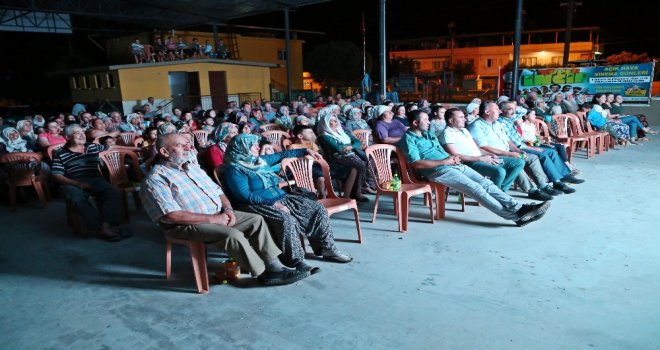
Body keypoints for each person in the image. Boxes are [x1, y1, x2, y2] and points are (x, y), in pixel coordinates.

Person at [141, 133, 309, 285]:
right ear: (164, 152)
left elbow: (218, 191)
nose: (188, 147)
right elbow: (172, 216)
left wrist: (228, 209)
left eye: (187, 144)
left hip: (217, 214)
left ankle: (275, 267)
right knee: (232, 235)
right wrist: (215, 220)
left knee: (256, 220)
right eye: (180, 145)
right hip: (185, 224)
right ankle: (264, 273)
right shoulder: (156, 179)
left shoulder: (192, 167)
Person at [221, 134, 353, 271]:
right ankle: (297, 261)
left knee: (317, 208)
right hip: (256, 204)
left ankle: (326, 248)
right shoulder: (234, 169)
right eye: (252, 145)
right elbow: (244, 195)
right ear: (241, 148)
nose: (257, 147)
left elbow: (282, 154)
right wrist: (273, 204)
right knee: (286, 219)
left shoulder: (259, 161)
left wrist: (306, 151)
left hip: (280, 197)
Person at [398, 110, 550, 227]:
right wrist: (445, 161)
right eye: (425, 120)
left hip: (453, 164)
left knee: (486, 184)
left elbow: (442, 151)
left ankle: (518, 207)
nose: (429, 122)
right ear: (415, 123)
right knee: (476, 189)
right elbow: (416, 163)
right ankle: (515, 217)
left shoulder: (428, 135)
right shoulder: (408, 139)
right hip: (438, 170)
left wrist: (452, 159)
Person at [51, 125, 129, 242]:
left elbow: (111, 147)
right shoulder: (60, 153)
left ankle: (105, 225)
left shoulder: (92, 147)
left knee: (113, 192)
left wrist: (137, 149)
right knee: (77, 198)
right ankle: (98, 227)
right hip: (72, 182)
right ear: (67, 137)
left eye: (82, 131)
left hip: (95, 179)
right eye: (77, 132)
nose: (82, 134)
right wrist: (77, 184)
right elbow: (56, 174)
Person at [467, 102, 557, 201]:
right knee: (516, 162)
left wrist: (517, 150)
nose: (500, 111)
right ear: (487, 112)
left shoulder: (496, 124)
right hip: (493, 155)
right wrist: (510, 154)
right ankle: (531, 190)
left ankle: (542, 185)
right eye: (497, 109)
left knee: (532, 158)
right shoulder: (477, 126)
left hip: (507, 152)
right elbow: (483, 147)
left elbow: (507, 140)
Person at [497, 101, 584, 191]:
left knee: (552, 151)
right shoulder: (500, 122)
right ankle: (557, 182)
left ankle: (565, 176)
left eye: (514, 109)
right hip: (517, 148)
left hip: (523, 145)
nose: (513, 112)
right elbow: (509, 142)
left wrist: (514, 107)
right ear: (502, 111)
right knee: (543, 154)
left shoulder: (510, 118)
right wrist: (527, 147)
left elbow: (523, 111)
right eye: (510, 109)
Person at [440, 108, 524, 192]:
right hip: (468, 163)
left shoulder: (464, 130)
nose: (465, 119)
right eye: (461, 117)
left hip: (480, 158)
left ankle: (500, 191)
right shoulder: (447, 133)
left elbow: (476, 148)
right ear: (451, 120)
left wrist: (489, 154)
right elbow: (455, 156)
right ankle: (496, 194)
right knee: (499, 171)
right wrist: (480, 158)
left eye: (463, 117)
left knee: (518, 162)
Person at [316, 110, 371, 202]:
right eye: (332, 121)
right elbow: (338, 148)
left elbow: (357, 142)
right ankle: (357, 193)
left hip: (350, 155)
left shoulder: (342, 132)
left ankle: (357, 192)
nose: (336, 122)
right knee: (361, 166)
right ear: (326, 124)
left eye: (336, 120)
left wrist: (351, 146)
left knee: (364, 165)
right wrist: (349, 145)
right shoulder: (324, 136)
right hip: (337, 158)